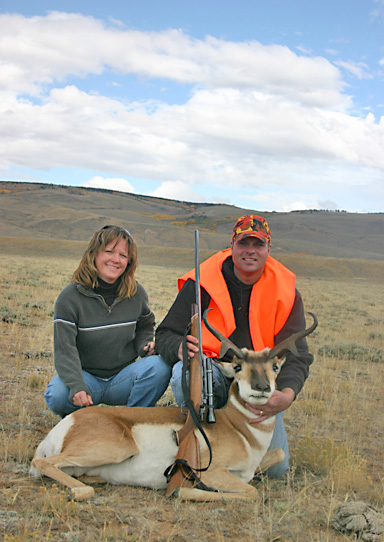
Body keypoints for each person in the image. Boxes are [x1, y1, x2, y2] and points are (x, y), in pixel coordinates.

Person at [155, 214, 314, 478]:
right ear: (232, 245)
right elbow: (166, 334)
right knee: (183, 371)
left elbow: (298, 356)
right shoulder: (202, 282)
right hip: (213, 378)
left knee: (274, 470)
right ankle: (200, 440)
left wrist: (286, 396)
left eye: (258, 244)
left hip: (258, 387)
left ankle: (225, 451)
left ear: (268, 249)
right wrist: (182, 349)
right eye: (243, 243)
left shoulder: (285, 291)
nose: (250, 251)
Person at [44, 225, 171, 417]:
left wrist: (145, 345)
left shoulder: (137, 293)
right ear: (94, 254)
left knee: (159, 367)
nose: (115, 260)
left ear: (129, 262)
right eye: (109, 251)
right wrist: (77, 386)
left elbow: (144, 328)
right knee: (58, 393)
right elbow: (65, 349)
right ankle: (78, 424)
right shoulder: (70, 296)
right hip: (86, 379)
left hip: (124, 378)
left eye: (122, 255)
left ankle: (131, 424)